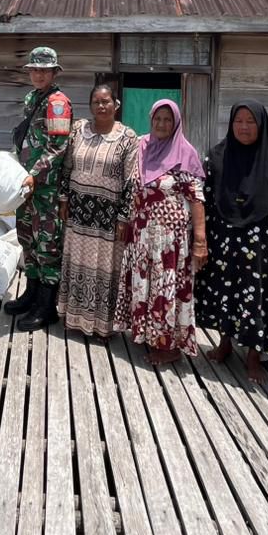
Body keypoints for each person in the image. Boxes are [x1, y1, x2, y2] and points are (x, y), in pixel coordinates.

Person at [197, 101, 268, 382]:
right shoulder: (216, 158)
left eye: (250, 121)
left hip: (264, 247)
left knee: (259, 297)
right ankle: (225, 344)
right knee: (223, 292)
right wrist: (200, 241)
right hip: (223, 241)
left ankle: (254, 355)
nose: (244, 127)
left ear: (262, 125)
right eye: (238, 121)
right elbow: (203, 202)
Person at [113, 100, 207, 365]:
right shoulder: (141, 146)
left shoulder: (185, 153)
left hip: (169, 240)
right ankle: (147, 335)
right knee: (145, 286)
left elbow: (197, 199)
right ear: (151, 120)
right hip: (141, 234)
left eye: (167, 120)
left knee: (165, 289)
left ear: (175, 122)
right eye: (158, 119)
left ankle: (169, 346)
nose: (162, 124)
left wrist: (200, 241)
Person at [56, 84, 138, 338]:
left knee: (104, 269)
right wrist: (63, 200)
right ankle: (74, 320)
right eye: (96, 102)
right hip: (78, 212)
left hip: (107, 217)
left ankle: (103, 327)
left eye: (106, 101)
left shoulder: (127, 137)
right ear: (90, 105)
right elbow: (66, 166)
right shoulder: (78, 130)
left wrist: (124, 217)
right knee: (77, 264)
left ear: (116, 105)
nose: (101, 106)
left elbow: (131, 181)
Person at [8, 46, 73, 332]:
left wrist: (34, 174)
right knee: (27, 240)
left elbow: (57, 147)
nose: (38, 74)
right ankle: (32, 295)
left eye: (43, 70)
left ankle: (46, 308)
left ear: (54, 72)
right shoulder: (32, 97)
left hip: (44, 188)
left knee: (47, 245)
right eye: (34, 69)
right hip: (26, 186)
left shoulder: (57, 102)